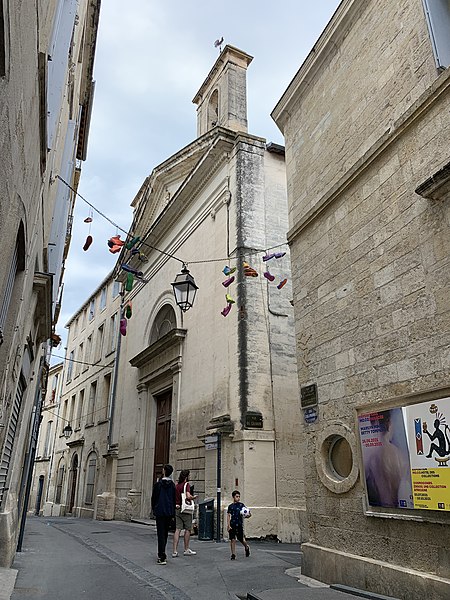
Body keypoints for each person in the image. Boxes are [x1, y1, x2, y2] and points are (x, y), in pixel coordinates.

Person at [151, 464, 175, 565]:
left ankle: (162, 556)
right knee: (165, 534)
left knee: (160, 534)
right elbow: (174, 499)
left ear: (164, 471)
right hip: (169, 512)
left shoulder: (158, 484)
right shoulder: (172, 485)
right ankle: (163, 552)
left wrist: (154, 509)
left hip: (160, 512)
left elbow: (154, 498)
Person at [172, 469, 197, 557]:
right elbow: (188, 496)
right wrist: (194, 497)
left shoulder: (177, 486)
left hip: (177, 508)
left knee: (177, 529)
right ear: (186, 477)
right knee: (188, 529)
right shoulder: (186, 485)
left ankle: (174, 550)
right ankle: (186, 549)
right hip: (185, 510)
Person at [227, 490, 251, 560]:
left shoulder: (241, 505)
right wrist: (228, 525)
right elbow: (228, 515)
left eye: (239, 497)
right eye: (237, 496)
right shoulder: (230, 506)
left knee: (241, 539)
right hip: (232, 524)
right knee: (232, 539)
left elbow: (248, 513)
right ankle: (233, 554)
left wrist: (248, 515)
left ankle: (246, 547)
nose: (238, 498)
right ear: (233, 497)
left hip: (239, 524)